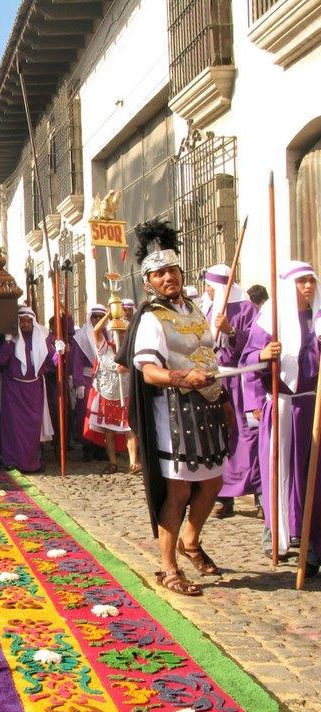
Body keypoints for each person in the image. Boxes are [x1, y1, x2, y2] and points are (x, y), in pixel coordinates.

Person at [120, 219, 229, 597]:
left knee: (213, 481)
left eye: (172, 270)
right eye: (160, 273)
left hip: (208, 410)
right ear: (149, 280)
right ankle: (168, 567)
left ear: (182, 272)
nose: (168, 278)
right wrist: (184, 379)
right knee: (178, 492)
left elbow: (209, 351)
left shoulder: (196, 310)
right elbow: (148, 371)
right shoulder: (151, 317)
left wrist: (225, 336)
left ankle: (191, 540)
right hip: (174, 415)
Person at [241, 261, 321, 564]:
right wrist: (264, 354)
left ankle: (312, 541)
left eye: (311, 281)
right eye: (301, 282)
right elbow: (249, 360)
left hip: (314, 408)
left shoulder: (319, 318)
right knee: (279, 471)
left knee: (312, 474)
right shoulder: (270, 320)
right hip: (282, 406)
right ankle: (277, 532)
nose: (308, 287)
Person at [203, 263, 260, 519]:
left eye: (209, 286)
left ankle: (259, 494)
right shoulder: (205, 311)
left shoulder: (248, 309)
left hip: (239, 383)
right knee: (219, 440)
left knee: (247, 438)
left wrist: (231, 331)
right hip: (215, 382)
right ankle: (224, 498)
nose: (207, 290)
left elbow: (255, 343)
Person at [0, 306, 62, 472]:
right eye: (21, 321)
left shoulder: (42, 339)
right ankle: (12, 460)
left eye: (28, 321)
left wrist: (61, 352)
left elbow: (52, 361)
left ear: (34, 323)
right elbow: (0, 360)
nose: (25, 324)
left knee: (32, 428)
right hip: (14, 388)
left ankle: (31, 463)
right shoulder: (11, 340)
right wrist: (8, 342)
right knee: (13, 426)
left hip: (34, 389)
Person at [83, 311, 137, 473]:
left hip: (125, 394)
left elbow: (140, 366)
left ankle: (133, 462)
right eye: (118, 332)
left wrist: (128, 367)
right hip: (107, 393)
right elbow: (95, 331)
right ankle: (113, 462)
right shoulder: (105, 348)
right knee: (109, 430)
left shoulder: (132, 351)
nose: (121, 335)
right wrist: (109, 313)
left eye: (123, 333)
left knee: (129, 428)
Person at [70, 304, 107, 458]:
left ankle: (102, 446)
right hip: (87, 380)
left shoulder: (110, 334)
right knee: (86, 413)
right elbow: (76, 361)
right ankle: (87, 446)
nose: (97, 319)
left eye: (100, 316)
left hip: (106, 379)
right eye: (95, 316)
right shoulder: (82, 337)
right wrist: (79, 383)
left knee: (103, 413)